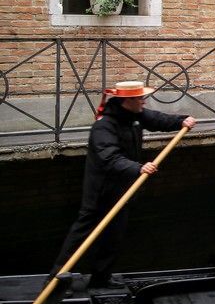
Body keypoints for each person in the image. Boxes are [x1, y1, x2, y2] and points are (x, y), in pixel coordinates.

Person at [49, 80, 196, 288]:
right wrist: (138, 168)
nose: (144, 102)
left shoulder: (134, 116)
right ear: (127, 101)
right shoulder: (104, 127)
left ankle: (101, 279)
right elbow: (109, 158)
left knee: (114, 236)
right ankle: (54, 282)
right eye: (140, 98)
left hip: (122, 190)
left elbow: (157, 119)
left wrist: (181, 121)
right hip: (100, 192)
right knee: (80, 238)